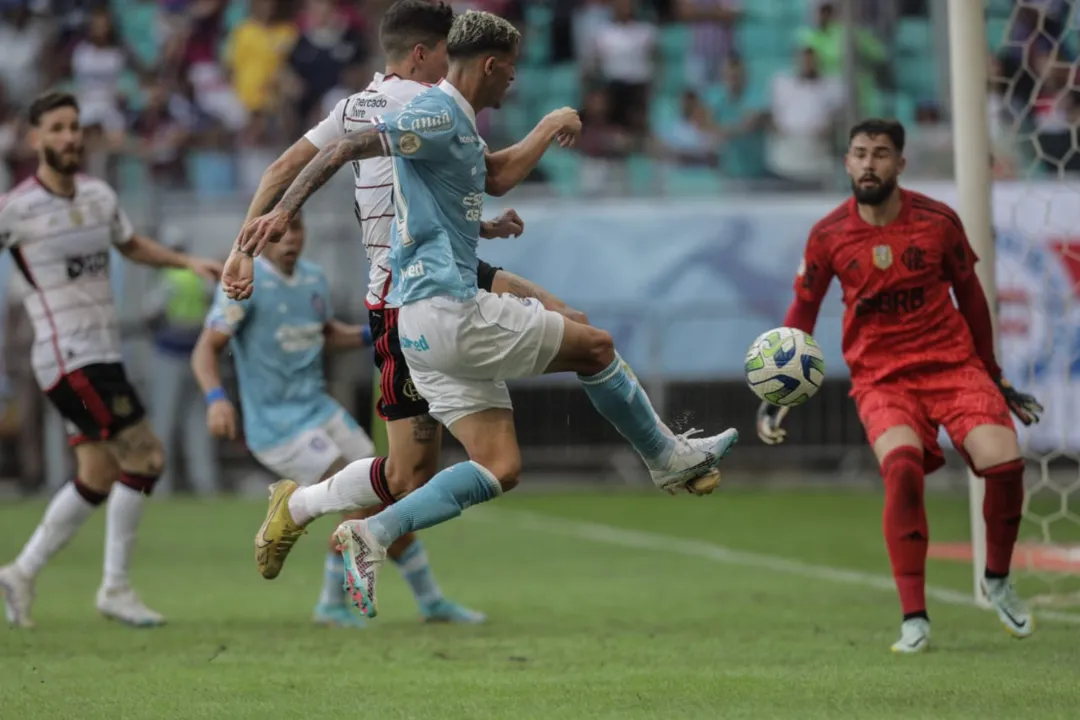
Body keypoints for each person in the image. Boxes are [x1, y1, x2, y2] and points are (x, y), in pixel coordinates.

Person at [232, 10, 739, 619]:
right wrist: (283, 213)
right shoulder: (431, 109)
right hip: (442, 307)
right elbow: (347, 148)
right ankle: (665, 458)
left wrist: (515, 172)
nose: (515, 84)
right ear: (484, 64)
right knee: (595, 346)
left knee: (493, 465)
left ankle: (358, 527)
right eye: (512, 72)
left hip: (418, 320)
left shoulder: (453, 123)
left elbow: (486, 175)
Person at [221, 0, 586, 585]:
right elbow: (492, 174)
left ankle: (300, 509)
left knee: (409, 473)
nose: (455, 64)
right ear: (423, 54)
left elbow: (281, 171)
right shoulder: (430, 104)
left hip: (416, 280)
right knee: (570, 333)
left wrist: (241, 249)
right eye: (447, 52)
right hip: (411, 290)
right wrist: (548, 124)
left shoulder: (353, 104)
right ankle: (305, 513)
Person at [756, 118, 1044, 653]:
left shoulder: (938, 222)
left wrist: (994, 374)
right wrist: (780, 392)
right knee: (904, 469)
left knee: (1004, 464)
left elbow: (972, 298)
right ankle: (915, 616)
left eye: (881, 154)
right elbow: (804, 309)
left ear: (900, 164)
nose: (869, 164)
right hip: (882, 376)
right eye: (860, 153)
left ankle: (998, 578)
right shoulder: (828, 235)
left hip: (953, 366)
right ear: (846, 163)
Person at [191, 210, 484, 626]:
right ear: (261, 237)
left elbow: (325, 335)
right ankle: (330, 603)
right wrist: (216, 398)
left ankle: (431, 600)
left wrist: (380, 334)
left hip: (319, 409)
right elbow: (205, 349)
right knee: (353, 491)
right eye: (280, 232)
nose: (291, 239)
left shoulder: (313, 279)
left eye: (297, 228)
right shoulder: (246, 284)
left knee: (387, 489)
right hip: (278, 424)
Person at [0, 91, 222, 628]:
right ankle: (115, 588)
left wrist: (187, 260)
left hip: (103, 355)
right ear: (35, 139)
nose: (69, 137)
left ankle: (21, 572)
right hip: (70, 358)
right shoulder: (18, 210)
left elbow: (130, 245)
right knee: (146, 458)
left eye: (74, 127)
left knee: (97, 473)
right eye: (56, 128)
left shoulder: (99, 196)